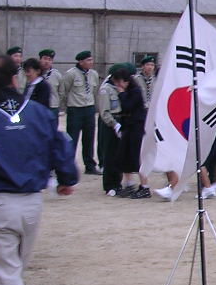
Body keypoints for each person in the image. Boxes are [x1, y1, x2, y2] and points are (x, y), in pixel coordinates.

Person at [0, 54, 77, 285]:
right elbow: (59, 144)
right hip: (31, 201)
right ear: (15, 78)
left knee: (7, 272)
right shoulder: (37, 112)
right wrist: (66, 178)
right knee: (11, 270)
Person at [109, 65, 150, 198]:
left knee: (137, 157)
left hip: (136, 127)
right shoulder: (128, 91)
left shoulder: (135, 91)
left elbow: (128, 106)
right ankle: (129, 184)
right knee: (124, 156)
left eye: (119, 82)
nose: (118, 85)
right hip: (127, 127)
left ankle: (144, 186)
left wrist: (121, 93)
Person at [59, 50, 100, 175]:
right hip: (75, 109)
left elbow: (94, 91)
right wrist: (67, 106)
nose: (91, 62)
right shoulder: (71, 74)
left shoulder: (93, 74)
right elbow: (64, 92)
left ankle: (90, 165)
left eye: (91, 59)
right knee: (72, 138)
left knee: (89, 138)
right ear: (81, 62)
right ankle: (69, 165)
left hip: (89, 108)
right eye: (88, 60)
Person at [96, 64, 123, 196]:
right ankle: (109, 185)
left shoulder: (121, 88)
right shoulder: (105, 90)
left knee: (119, 155)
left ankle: (118, 183)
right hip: (109, 123)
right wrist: (114, 124)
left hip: (121, 121)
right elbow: (104, 112)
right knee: (109, 155)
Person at [38, 49, 61, 118]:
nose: (47, 62)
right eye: (45, 59)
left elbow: (61, 92)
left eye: (50, 59)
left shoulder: (57, 75)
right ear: (40, 59)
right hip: (38, 106)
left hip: (52, 107)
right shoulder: (35, 73)